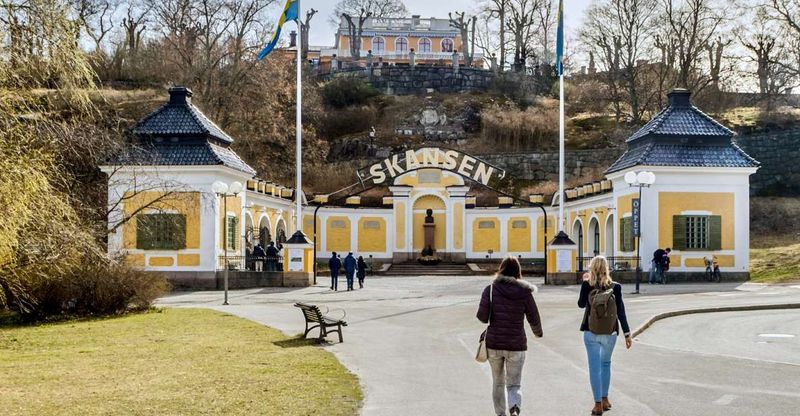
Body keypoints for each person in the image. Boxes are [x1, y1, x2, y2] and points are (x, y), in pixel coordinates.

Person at [476, 256, 543, 416]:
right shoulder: (525, 292)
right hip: (516, 345)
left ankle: (500, 414)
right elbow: (533, 315)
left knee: (498, 383)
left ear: (501, 269)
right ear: (518, 272)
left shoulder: (490, 289)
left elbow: (482, 317)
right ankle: (514, 408)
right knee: (514, 385)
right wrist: (538, 332)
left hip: (494, 344)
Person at [579, 256, 633, 416]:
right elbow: (621, 312)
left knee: (594, 368)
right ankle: (605, 399)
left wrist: (584, 282)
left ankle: (597, 405)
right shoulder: (615, 287)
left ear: (592, 269)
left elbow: (581, 304)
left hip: (591, 331)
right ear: (606, 269)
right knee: (606, 364)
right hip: (611, 333)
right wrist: (627, 334)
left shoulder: (587, 285)